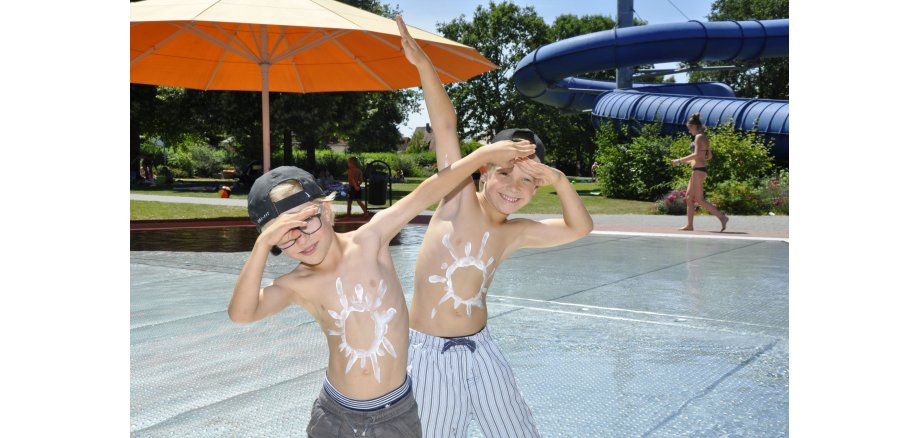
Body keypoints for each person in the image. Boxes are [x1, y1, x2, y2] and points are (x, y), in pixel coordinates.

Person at [228, 133, 535, 436]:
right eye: (285, 235)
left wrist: (482, 156)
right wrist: (261, 245)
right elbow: (241, 313)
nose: (301, 239)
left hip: (395, 415)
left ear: (325, 210)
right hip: (335, 416)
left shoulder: (371, 240)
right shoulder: (297, 283)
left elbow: (431, 189)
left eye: (304, 222)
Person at [397, 17, 594, 438]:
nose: (514, 187)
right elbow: (446, 125)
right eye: (504, 173)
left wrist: (559, 180)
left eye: (528, 181)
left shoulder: (514, 231)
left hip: (482, 348)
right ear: (484, 172)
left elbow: (579, 228)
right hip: (430, 354)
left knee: (517, 431)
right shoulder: (458, 199)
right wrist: (423, 66)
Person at [670, 112, 728, 232]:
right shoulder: (704, 137)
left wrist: (679, 161)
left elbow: (697, 155)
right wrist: (688, 161)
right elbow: (708, 156)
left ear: (694, 126)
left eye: (689, 128)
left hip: (698, 171)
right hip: (698, 169)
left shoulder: (698, 137)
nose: (689, 131)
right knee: (689, 197)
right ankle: (689, 225)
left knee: (699, 199)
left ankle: (722, 217)